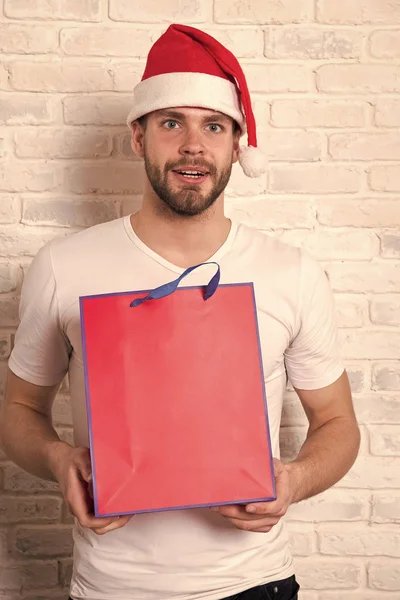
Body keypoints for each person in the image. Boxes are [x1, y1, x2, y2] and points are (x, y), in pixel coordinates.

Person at [0, 24, 360, 600]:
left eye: (213, 126)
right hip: (111, 586)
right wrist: (55, 457)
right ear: (139, 137)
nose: (193, 144)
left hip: (253, 583)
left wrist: (293, 479)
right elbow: (19, 408)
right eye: (172, 122)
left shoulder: (290, 271)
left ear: (237, 144)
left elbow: (339, 425)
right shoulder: (65, 265)